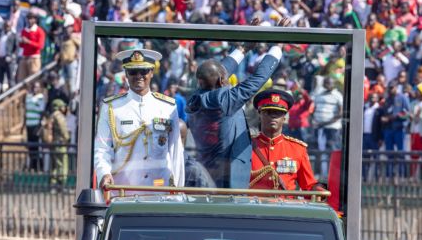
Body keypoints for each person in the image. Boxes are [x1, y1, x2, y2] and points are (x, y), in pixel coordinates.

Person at [187, 42, 282, 189]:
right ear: (221, 81)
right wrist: (277, 46)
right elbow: (258, 78)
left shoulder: (196, 97)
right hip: (225, 181)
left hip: (204, 174)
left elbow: (216, 72)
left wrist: (242, 49)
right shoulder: (225, 101)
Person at [94, 49, 184, 189]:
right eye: (133, 71)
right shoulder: (111, 107)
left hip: (160, 190)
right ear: (126, 74)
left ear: (152, 72)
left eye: (144, 71)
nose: (139, 76)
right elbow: (102, 148)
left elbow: (176, 151)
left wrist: (179, 189)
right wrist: (104, 173)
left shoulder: (167, 107)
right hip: (124, 191)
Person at [249, 89, 324, 192]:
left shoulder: (297, 149)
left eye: (278, 113)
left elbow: (308, 186)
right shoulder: (246, 146)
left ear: (284, 117)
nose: (273, 116)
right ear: (260, 115)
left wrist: (319, 189)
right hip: (253, 205)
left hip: (287, 205)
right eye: (268, 112)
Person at [49, 99, 70, 192]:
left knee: (55, 165)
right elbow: (63, 130)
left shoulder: (52, 115)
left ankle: (53, 185)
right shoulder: (59, 116)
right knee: (62, 164)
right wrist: (67, 138)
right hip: (61, 144)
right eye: (63, 106)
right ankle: (62, 185)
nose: (65, 108)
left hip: (54, 143)